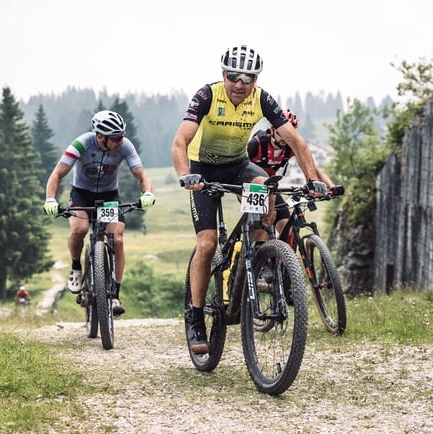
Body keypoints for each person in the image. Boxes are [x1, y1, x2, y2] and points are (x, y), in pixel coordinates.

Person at [171, 45, 329, 354]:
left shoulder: (262, 99)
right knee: (207, 244)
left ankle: (261, 253)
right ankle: (195, 316)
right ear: (223, 75)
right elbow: (180, 141)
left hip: (236, 166)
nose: (240, 84)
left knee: (265, 185)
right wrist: (185, 174)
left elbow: (297, 142)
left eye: (248, 78)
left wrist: (312, 180)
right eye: (234, 76)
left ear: (256, 79)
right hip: (202, 168)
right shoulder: (207, 96)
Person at [43, 110, 155, 315]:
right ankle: (76, 267)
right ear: (100, 137)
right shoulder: (82, 143)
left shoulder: (125, 145)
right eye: (115, 138)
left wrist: (147, 193)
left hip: (108, 198)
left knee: (117, 239)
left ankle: (114, 295)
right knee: (79, 229)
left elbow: (141, 174)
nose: (120, 141)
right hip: (82, 195)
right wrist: (50, 199)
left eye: (122, 136)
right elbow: (58, 173)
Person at [246, 108, 339, 235]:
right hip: (252, 186)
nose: (285, 138)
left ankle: (281, 254)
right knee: (266, 222)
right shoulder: (256, 144)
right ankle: (256, 251)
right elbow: (243, 168)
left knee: (289, 231)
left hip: (271, 187)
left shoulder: (289, 148)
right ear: (272, 129)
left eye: (288, 134)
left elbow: (312, 167)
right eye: (281, 133)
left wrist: (331, 186)